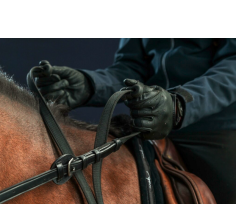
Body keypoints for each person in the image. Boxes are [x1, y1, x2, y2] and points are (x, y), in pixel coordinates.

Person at [32, 38, 236, 204]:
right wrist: (90, 84)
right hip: (152, 128)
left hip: (214, 129)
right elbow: (131, 68)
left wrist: (180, 104)